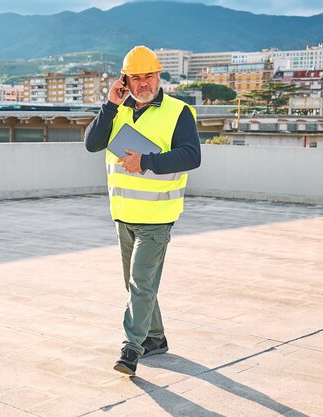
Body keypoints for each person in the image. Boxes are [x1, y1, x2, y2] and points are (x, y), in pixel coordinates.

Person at [84, 45, 201, 376]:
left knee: (140, 283)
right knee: (138, 284)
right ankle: (155, 338)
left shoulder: (179, 112)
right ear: (126, 80)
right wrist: (109, 104)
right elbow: (92, 143)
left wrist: (145, 162)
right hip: (123, 214)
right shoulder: (118, 109)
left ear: (158, 75)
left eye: (148, 76)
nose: (143, 83)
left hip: (157, 217)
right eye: (135, 78)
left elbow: (192, 156)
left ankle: (131, 348)